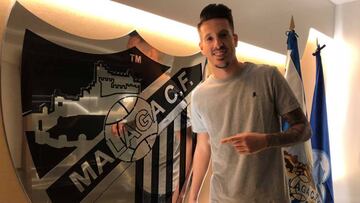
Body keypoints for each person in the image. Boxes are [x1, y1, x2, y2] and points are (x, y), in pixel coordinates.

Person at [189, 4, 311, 203]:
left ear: (234, 39)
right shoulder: (199, 96)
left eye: (223, 35)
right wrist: (192, 197)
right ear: (202, 47)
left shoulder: (268, 77)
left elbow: (304, 129)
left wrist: (266, 141)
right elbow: (203, 147)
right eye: (209, 38)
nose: (217, 43)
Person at [111, 32, 193, 203]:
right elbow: (152, 124)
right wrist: (126, 125)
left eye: (133, 52)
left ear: (151, 53)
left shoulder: (168, 91)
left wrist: (180, 193)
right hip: (146, 182)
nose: (129, 59)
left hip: (164, 189)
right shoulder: (145, 88)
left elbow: (188, 143)